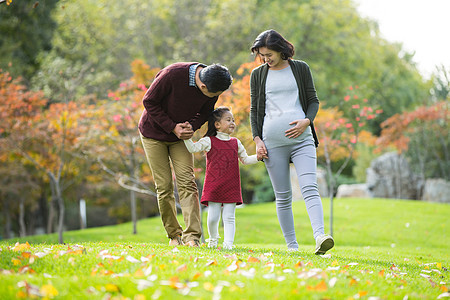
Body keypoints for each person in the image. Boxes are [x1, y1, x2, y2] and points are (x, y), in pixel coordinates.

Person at [249, 29, 334, 255]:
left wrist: (307, 121)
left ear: (280, 49)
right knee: (284, 196)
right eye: (262, 55)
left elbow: (313, 100)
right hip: (272, 142)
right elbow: (255, 110)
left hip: (302, 139)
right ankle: (292, 247)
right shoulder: (258, 75)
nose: (265, 59)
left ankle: (320, 236)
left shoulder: (300, 68)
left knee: (309, 187)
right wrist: (257, 140)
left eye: (269, 54)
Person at [139, 62, 233, 247]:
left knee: (187, 183)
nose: (216, 97)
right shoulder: (173, 74)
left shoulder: (214, 83)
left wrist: (191, 127)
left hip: (181, 138)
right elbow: (149, 101)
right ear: (203, 86)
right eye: (214, 95)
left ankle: (192, 238)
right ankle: (174, 236)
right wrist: (171, 126)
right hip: (153, 134)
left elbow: (206, 112)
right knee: (164, 186)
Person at [184, 107, 259, 250]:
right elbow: (193, 149)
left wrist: (259, 157)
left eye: (233, 120)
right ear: (217, 124)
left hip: (231, 185)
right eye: (228, 120)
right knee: (213, 217)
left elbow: (246, 160)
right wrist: (186, 137)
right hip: (214, 185)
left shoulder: (235, 142)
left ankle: (228, 244)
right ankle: (213, 239)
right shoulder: (209, 141)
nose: (233, 123)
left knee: (229, 217)